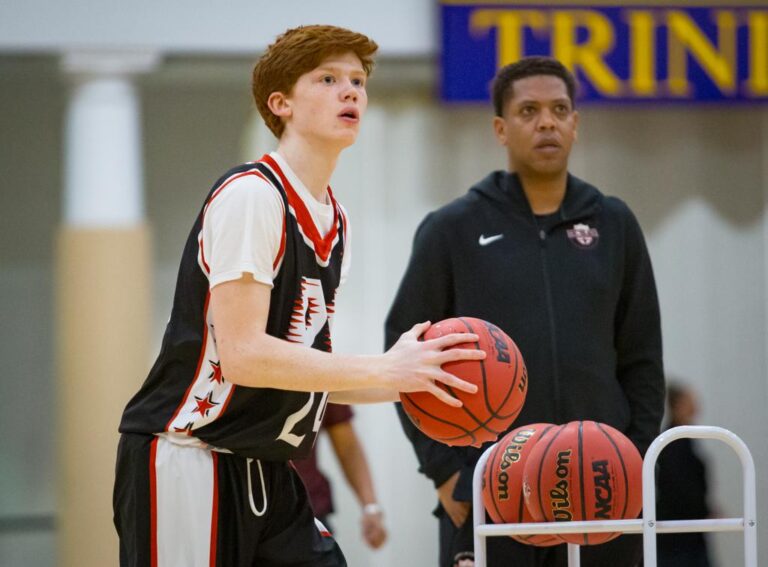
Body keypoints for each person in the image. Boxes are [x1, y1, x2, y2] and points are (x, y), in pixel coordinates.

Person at [113, 25, 484, 567]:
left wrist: (423, 381)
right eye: (329, 79)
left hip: (268, 466)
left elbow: (309, 374)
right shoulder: (252, 197)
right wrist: (386, 371)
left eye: (357, 80)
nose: (351, 90)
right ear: (280, 103)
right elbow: (243, 355)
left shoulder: (335, 219)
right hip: (192, 457)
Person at [385, 56, 665, 567]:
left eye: (560, 109)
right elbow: (403, 356)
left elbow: (643, 356)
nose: (547, 122)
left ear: (576, 123)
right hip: (491, 485)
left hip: (601, 486)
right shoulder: (451, 227)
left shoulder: (615, 222)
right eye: (529, 110)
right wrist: (446, 472)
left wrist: (635, 461)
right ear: (500, 128)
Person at [293, 404, 388, 549]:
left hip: (309, 511)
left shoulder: (321, 382)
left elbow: (346, 443)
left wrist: (370, 507)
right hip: (253, 513)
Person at [657, 383, 715, 567]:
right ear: (678, 405)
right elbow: (679, 487)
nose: (696, 406)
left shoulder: (680, 440)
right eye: (691, 401)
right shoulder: (673, 443)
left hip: (689, 531)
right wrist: (702, 509)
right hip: (679, 534)